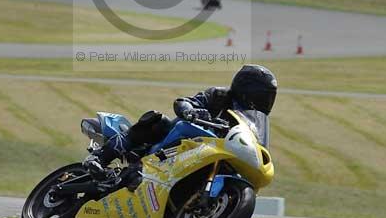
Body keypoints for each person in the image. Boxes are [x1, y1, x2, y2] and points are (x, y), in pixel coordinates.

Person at [83, 65, 278, 180]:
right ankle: (99, 158)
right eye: (264, 96)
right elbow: (184, 102)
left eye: (270, 97)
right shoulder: (219, 96)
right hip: (182, 137)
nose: (267, 101)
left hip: (209, 154)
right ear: (247, 90)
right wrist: (190, 110)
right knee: (157, 120)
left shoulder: (252, 120)